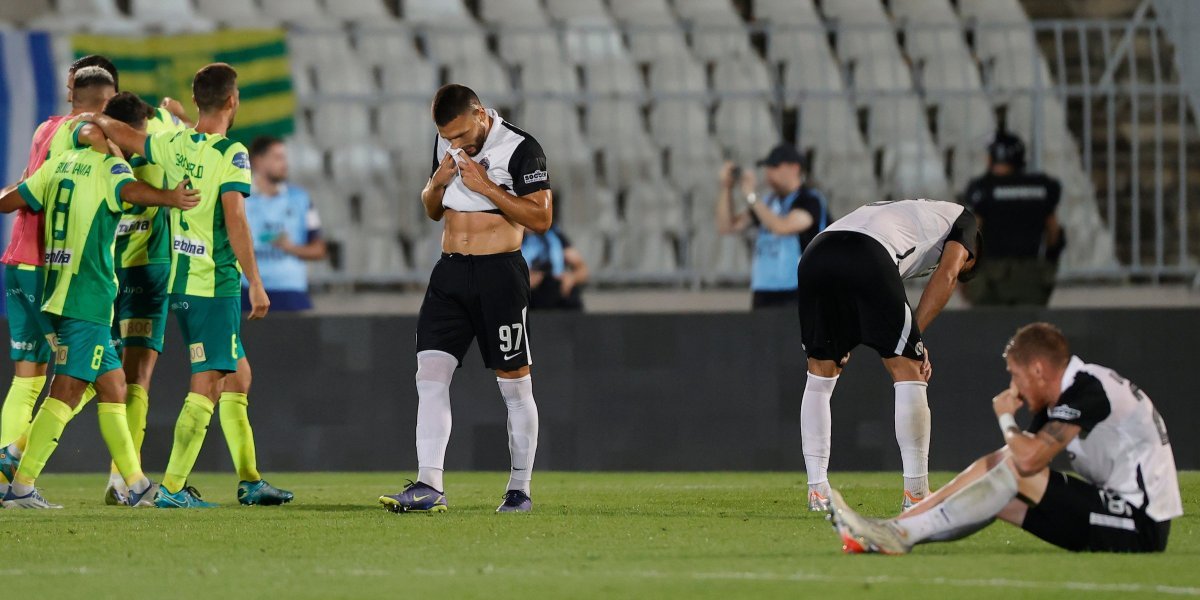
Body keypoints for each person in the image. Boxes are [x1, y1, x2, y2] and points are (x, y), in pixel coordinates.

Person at [84, 63, 294, 508]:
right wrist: (255, 281)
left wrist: (97, 117)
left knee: (238, 375)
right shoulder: (231, 154)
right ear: (233, 101)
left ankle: (250, 480)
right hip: (213, 285)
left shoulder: (173, 143)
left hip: (180, 280)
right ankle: (174, 488)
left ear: (196, 101)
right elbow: (235, 218)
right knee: (209, 382)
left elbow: (129, 137)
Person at [828, 322, 1182, 554]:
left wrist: (1005, 415)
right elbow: (996, 463)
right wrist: (916, 509)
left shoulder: (1088, 390)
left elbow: (1026, 462)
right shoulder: (1066, 393)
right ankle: (893, 530)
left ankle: (900, 538)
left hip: (1141, 525)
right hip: (1113, 509)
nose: (1014, 386)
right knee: (1000, 487)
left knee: (1016, 472)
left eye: (1016, 375)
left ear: (1039, 370)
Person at [0, 121, 200, 508]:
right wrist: (169, 197)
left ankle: (137, 484)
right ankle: (20, 481)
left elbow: (10, 201)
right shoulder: (108, 168)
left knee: (112, 385)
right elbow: (131, 191)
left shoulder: (57, 164)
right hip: (87, 299)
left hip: (56, 290)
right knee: (66, 392)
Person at [379, 84, 551, 514]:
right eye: (447, 138)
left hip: (499, 275)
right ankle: (428, 485)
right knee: (429, 376)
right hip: (450, 272)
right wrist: (434, 186)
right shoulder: (445, 139)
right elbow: (433, 209)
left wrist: (488, 187)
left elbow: (542, 218)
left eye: (459, 136)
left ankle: (519, 489)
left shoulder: (520, 148)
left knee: (514, 387)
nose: (454, 144)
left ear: (479, 113)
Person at [796, 199, 980, 511]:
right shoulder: (966, 222)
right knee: (909, 369)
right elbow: (948, 275)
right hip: (867, 252)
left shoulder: (911, 211)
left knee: (820, 372)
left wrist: (849, 333)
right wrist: (914, 341)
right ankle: (917, 494)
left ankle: (818, 491)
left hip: (816, 253)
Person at [0, 62, 117, 494]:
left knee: (27, 377)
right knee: (96, 371)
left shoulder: (43, 128)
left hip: (18, 260)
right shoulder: (84, 132)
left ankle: (4, 467)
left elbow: (24, 187)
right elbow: (107, 163)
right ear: (105, 102)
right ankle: (18, 465)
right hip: (50, 268)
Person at [100, 92, 188, 505]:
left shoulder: (95, 145)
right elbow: (193, 131)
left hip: (104, 267)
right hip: (149, 268)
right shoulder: (161, 133)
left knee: (93, 371)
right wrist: (174, 114)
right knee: (136, 378)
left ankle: (19, 451)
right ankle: (123, 478)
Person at [716, 144, 829, 310]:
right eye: (767, 167)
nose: (769, 172)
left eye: (775, 166)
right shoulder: (768, 203)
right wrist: (726, 189)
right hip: (764, 291)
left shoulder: (810, 200)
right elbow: (728, 226)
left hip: (797, 291)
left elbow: (782, 227)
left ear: (794, 168)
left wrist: (751, 195)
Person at [961, 130, 1064, 306]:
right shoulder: (1041, 187)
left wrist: (963, 274)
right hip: (1031, 275)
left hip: (992, 276)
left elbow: (973, 234)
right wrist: (1048, 264)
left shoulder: (984, 188)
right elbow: (1053, 232)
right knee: (1025, 330)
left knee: (991, 328)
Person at [243, 136, 327, 312]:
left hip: (290, 292)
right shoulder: (237, 197)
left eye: (285, 158)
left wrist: (290, 247)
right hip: (246, 291)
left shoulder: (301, 199)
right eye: (277, 157)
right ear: (258, 161)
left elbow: (319, 249)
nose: (285, 164)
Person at [521, 223, 588, 310]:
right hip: (528, 296)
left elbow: (583, 270)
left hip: (556, 291)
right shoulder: (512, 236)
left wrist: (571, 278)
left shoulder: (554, 235)